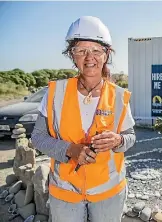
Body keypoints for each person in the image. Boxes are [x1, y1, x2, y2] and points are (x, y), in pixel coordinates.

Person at [31, 16, 136, 222]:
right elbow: (38, 137)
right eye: (81, 50)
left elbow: (130, 137)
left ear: (106, 55)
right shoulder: (54, 93)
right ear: (72, 55)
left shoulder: (119, 96)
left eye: (96, 50)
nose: (89, 57)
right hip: (65, 192)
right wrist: (70, 150)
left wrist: (118, 141)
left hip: (109, 192)